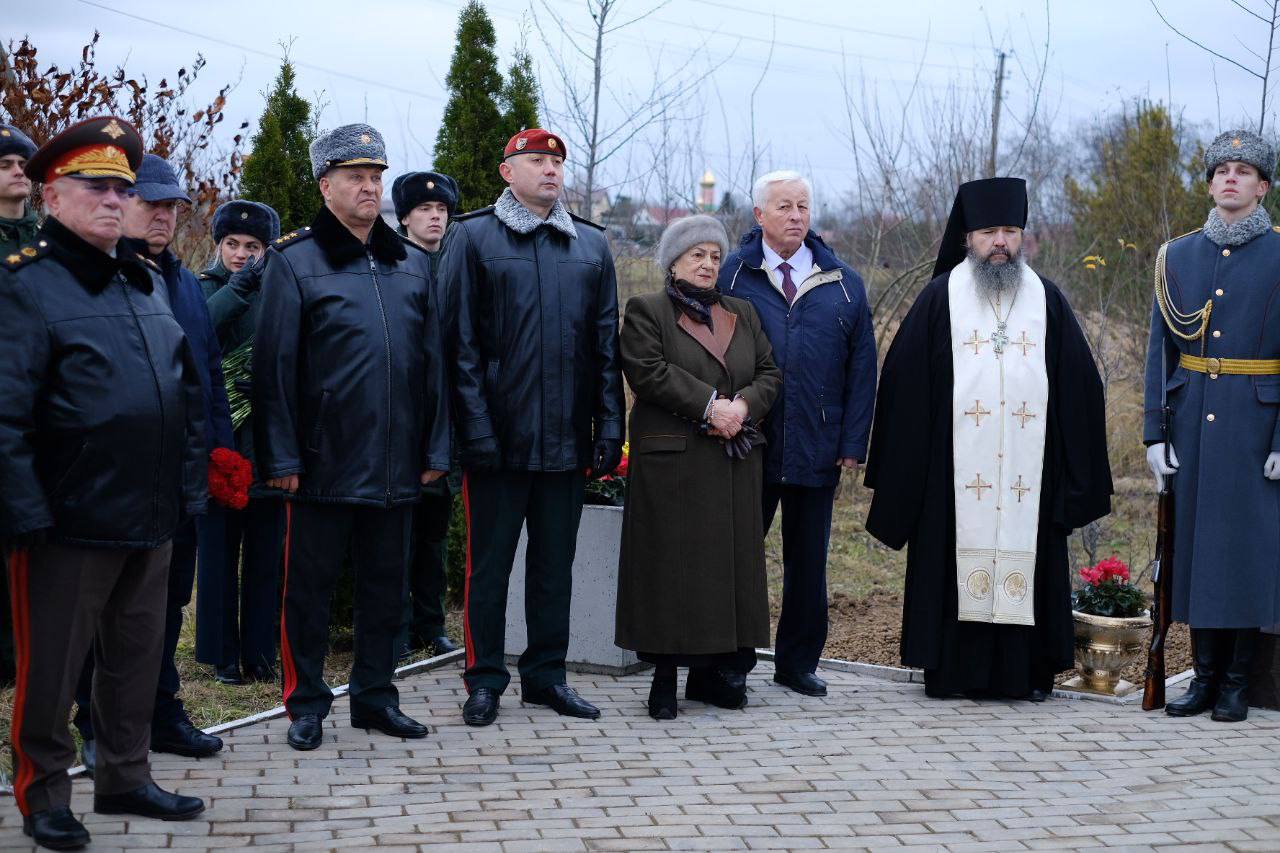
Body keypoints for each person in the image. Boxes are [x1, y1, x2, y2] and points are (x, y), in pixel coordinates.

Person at [0, 116, 207, 850]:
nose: (115, 200)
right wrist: (23, 508)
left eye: (122, 188)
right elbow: (5, 411)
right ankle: (43, 794)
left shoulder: (142, 281)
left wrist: (186, 490)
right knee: (52, 672)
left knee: (135, 659)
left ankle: (125, 774)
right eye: (96, 186)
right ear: (53, 196)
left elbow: (183, 395)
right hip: (65, 521)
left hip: (148, 514)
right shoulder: (23, 284)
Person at [865, 177, 1113, 702]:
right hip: (953, 477)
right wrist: (914, 468)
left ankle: (1027, 675)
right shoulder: (940, 298)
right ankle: (953, 674)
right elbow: (903, 386)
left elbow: (1080, 386)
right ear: (967, 237)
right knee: (950, 562)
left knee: (1031, 558)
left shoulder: (1047, 300)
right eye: (988, 232)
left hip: (1029, 474)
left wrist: (1074, 471)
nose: (1000, 242)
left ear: (1022, 236)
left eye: (1010, 231)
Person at [254, 123, 450, 751]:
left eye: (374, 176)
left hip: (397, 461)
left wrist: (435, 448)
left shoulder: (410, 263)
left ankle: (374, 698)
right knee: (308, 592)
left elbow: (434, 366)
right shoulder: (294, 261)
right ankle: (306, 704)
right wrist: (281, 456)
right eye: (354, 177)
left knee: (385, 591)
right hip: (322, 462)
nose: (368, 187)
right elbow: (273, 368)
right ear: (325, 185)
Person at [441, 128, 625, 727]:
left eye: (556, 162)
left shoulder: (590, 246)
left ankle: (547, 677)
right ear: (507, 171)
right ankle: (483, 679)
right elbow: (458, 345)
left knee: (553, 568)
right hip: (499, 441)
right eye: (537, 160)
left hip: (565, 441)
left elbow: (605, 344)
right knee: (488, 569)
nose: (550, 170)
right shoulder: (473, 237)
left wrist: (609, 426)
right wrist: (475, 429)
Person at [72, 154, 234, 770]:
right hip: (114, 476)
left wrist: (220, 452)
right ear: (120, 202)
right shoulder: (94, 276)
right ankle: (94, 720)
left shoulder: (185, 283)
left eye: (172, 206)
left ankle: (161, 711)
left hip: (180, 476)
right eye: (151, 203)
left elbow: (208, 372)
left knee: (165, 603)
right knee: (104, 606)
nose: (163, 216)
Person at [616, 214, 782, 719]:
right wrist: (712, 406)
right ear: (674, 262)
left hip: (731, 461)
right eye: (697, 255)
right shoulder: (647, 310)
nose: (708, 264)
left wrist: (743, 406)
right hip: (675, 464)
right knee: (671, 570)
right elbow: (648, 371)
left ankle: (716, 674)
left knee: (724, 572)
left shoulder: (741, 312)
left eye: (714, 256)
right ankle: (664, 678)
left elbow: (769, 372)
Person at [719, 170, 877, 697]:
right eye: (783, 206)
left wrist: (852, 443)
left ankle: (797, 663)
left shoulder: (843, 283)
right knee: (740, 557)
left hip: (818, 444)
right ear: (759, 214)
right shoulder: (732, 276)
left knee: (809, 563)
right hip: (747, 444)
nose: (795, 216)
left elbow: (862, 370)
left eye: (803, 206)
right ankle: (731, 661)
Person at [1144, 129, 1280, 723]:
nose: (1230, 178)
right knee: (1196, 548)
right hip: (1192, 420)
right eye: (1221, 170)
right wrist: (1155, 433)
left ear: (1263, 186)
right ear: (1209, 185)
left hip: (1256, 424)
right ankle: (1201, 679)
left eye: (1243, 171)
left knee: (1245, 551)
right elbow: (1160, 351)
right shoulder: (1176, 256)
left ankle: (1235, 683)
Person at [195, 199, 285, 686]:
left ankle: (261, 650)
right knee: (218, 555)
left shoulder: (280, 291)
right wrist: (237, 289)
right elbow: (197, 333)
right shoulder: (202, 287)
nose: (241, 254)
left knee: (266, 555)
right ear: (219, 245)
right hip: (220, 440)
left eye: (252, 246)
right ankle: (221, 653)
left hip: (267, 440)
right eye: (232, 243)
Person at [392, 170, 462, 657]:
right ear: (404, 218)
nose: (435, 217)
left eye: (441, 210)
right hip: (405, 414)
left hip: (449, 414)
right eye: (424, 210)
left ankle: (429, 624)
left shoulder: (457, 264)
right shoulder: (391, 264)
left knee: (434, 529)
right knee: (398, 531)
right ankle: (394, 626)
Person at [0, 121, 38, 691]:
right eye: (5, 164)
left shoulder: (46, 242)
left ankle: (20, 652)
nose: (16, 172)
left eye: (22, 164)